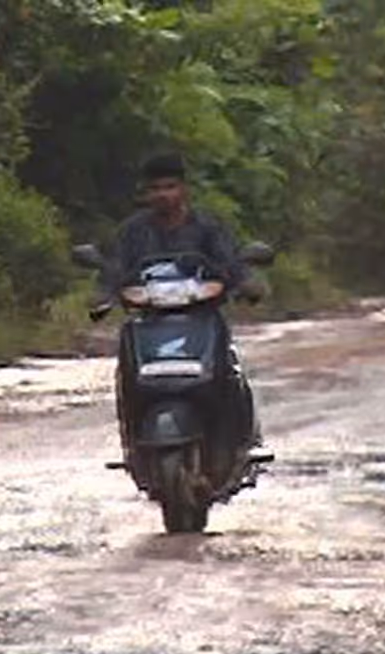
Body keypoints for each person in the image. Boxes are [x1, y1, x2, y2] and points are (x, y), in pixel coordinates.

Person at [93, 153, 265, 448]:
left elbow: (230, 262)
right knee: (126, 373)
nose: (163, 195)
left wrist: (245, 282)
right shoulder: (133, 232)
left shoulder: (208, 227)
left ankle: (240, 437)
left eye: (170, 186)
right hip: (149, 319)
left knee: (230, 371)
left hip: (201, 316)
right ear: (146, 194)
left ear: (184, 189)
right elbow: (116, 269)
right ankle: (133, 438)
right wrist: (104, 296)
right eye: (155, 188)